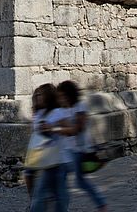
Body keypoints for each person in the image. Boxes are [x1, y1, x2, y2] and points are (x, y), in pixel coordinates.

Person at [57, 80, 107, 212]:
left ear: (68, 95)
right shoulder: (64, 109)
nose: (60, 99)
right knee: (68, 181)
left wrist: (63, 129)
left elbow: (78, 128)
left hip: (78, 151)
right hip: (67, 151)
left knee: (70, 181)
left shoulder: (80, 106)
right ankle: (101, 204)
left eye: (62, 95)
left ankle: (101, 204)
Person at [29, 83, 72, 212]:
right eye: (36, 95)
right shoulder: (39, 113)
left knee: (56, 194)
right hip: (46, 159)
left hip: (58, 159)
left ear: (48, 96)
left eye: (41, 95)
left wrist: (53, 128)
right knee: (49, 193)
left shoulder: (58, 113)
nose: (38, 97)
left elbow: (70, 129)